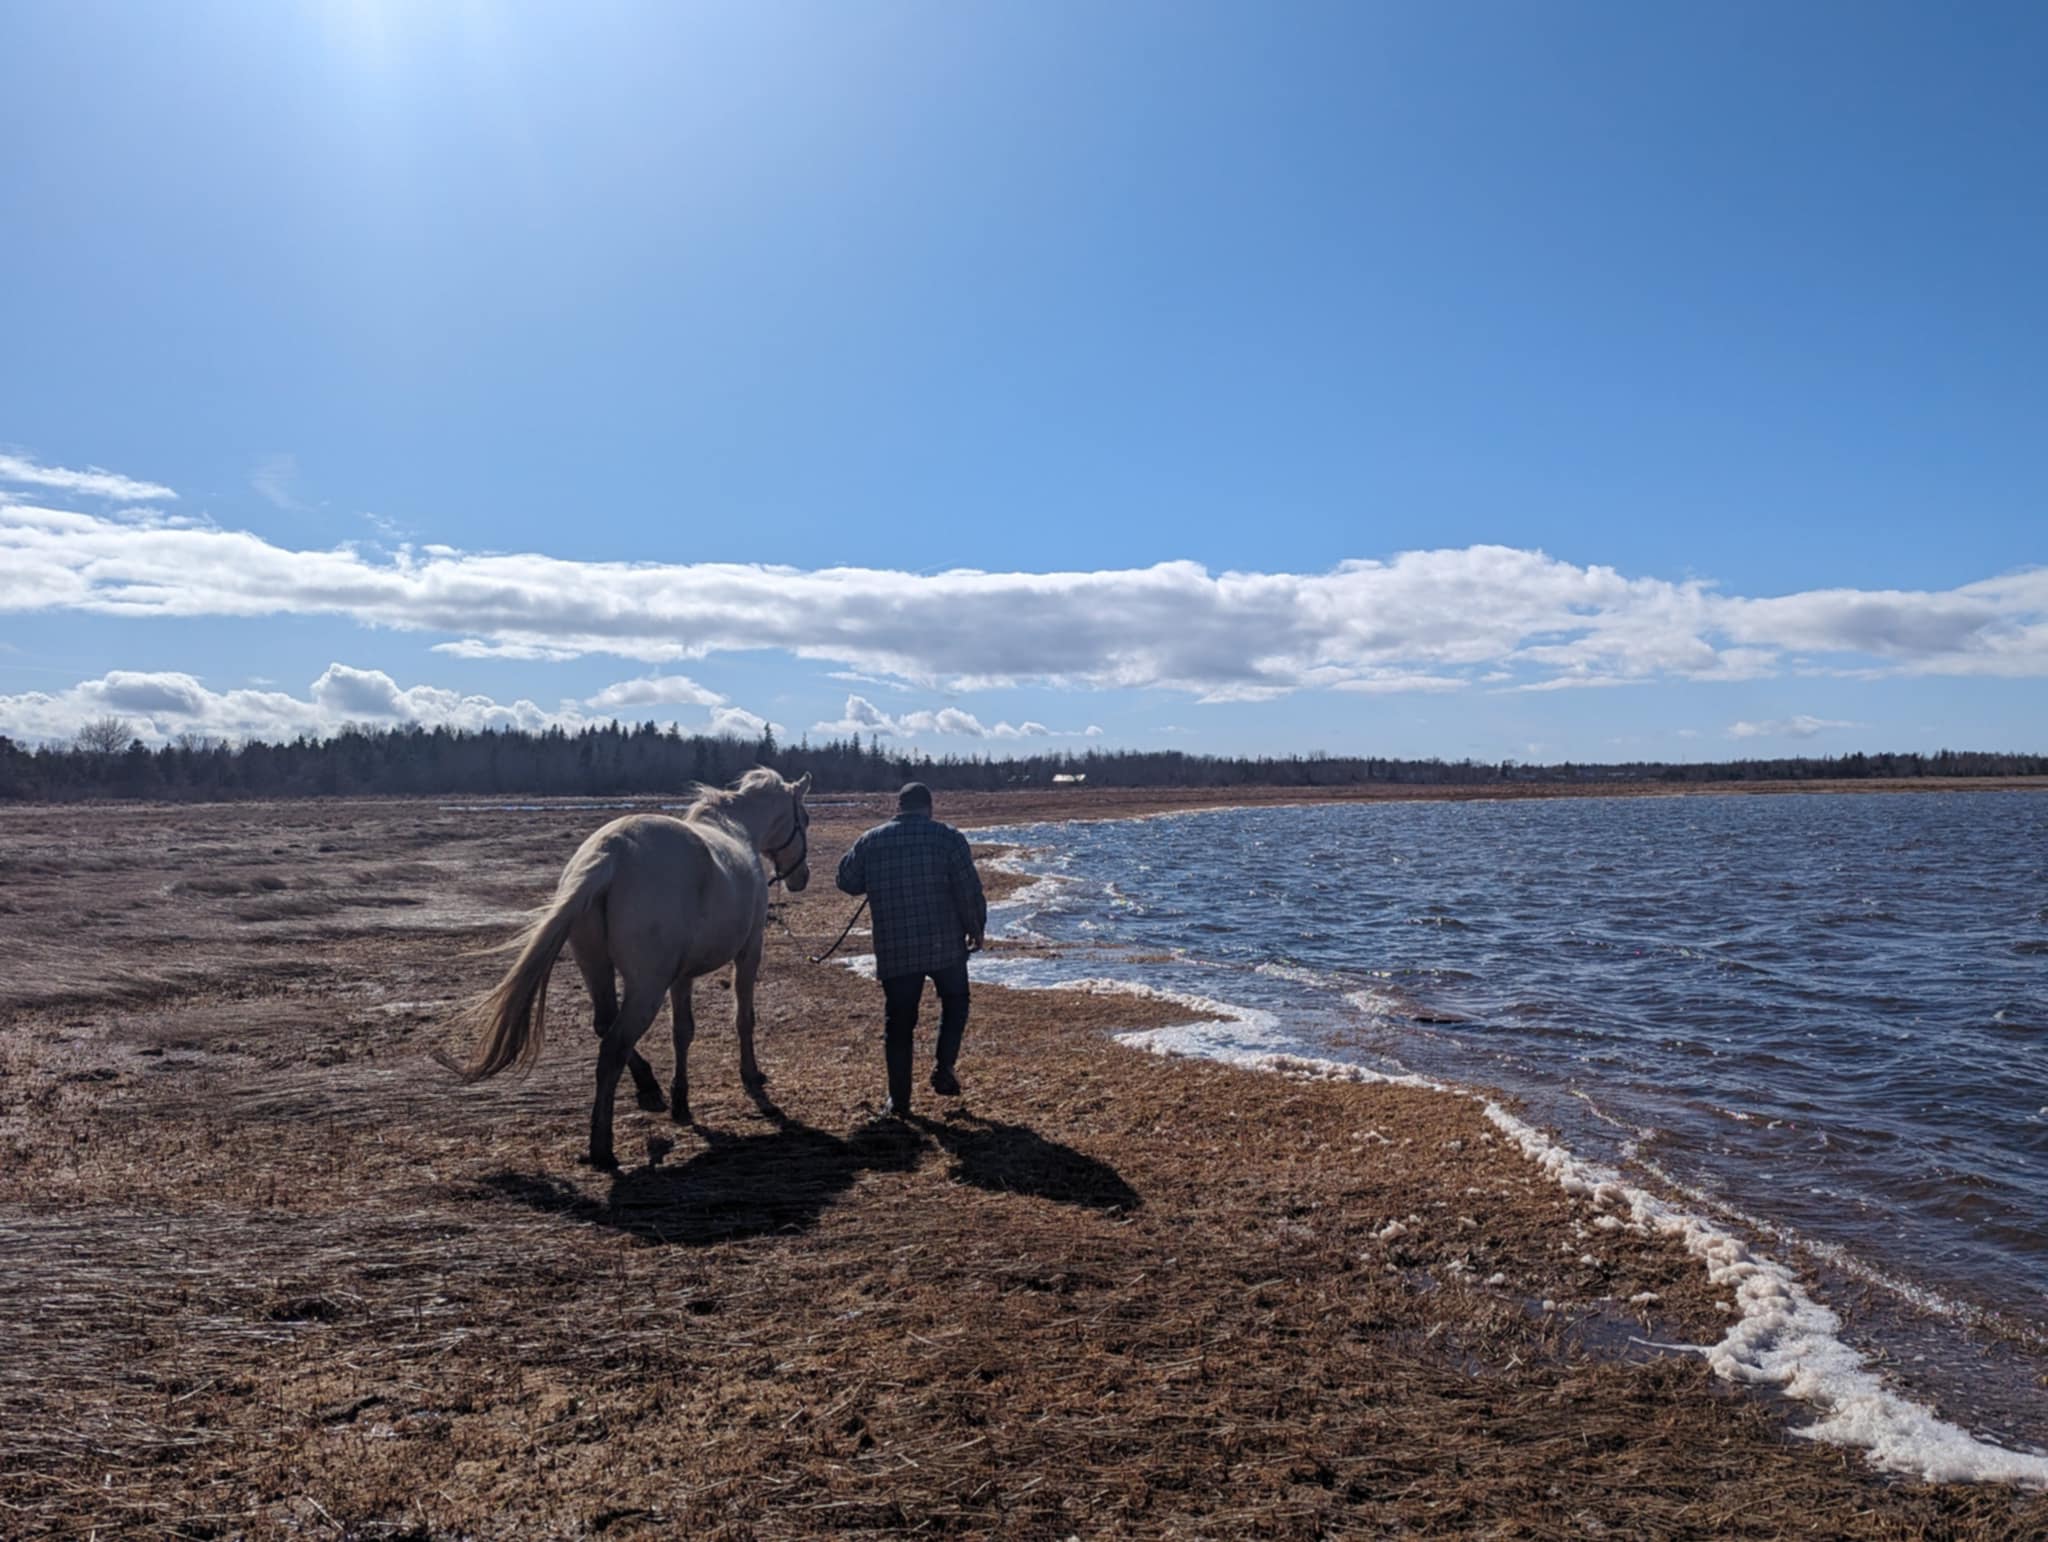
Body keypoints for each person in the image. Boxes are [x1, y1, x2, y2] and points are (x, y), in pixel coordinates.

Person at [835, 782, 988, 1118]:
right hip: (944, 944)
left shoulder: (870, 840)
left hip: (896, 947)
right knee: (956, 1001)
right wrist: (976, 928)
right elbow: (968, 890)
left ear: (898, 806)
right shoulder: (948, 837)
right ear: (929, 807)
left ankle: (899, 1102)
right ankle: (944, 1066)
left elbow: (846, 881)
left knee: (899, 1023)